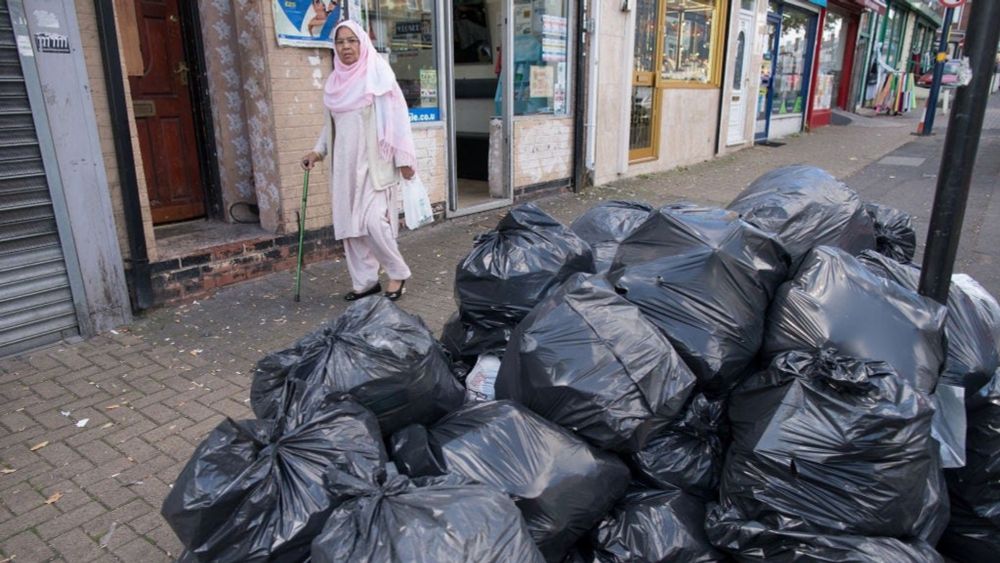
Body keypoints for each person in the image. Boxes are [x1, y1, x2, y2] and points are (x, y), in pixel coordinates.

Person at [301, 20, 416, 301]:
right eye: (340, 42)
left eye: (352, 40)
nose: (346, 47)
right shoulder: (334, 83)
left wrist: (403, 158)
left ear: (362, 42)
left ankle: (398, 273)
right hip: (343, 167)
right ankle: (365, 282)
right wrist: (317, 152)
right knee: (350, 229)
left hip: (374, 165)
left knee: (374, 223)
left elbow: (397, 118)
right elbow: (331, 126)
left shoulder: (376, 75)